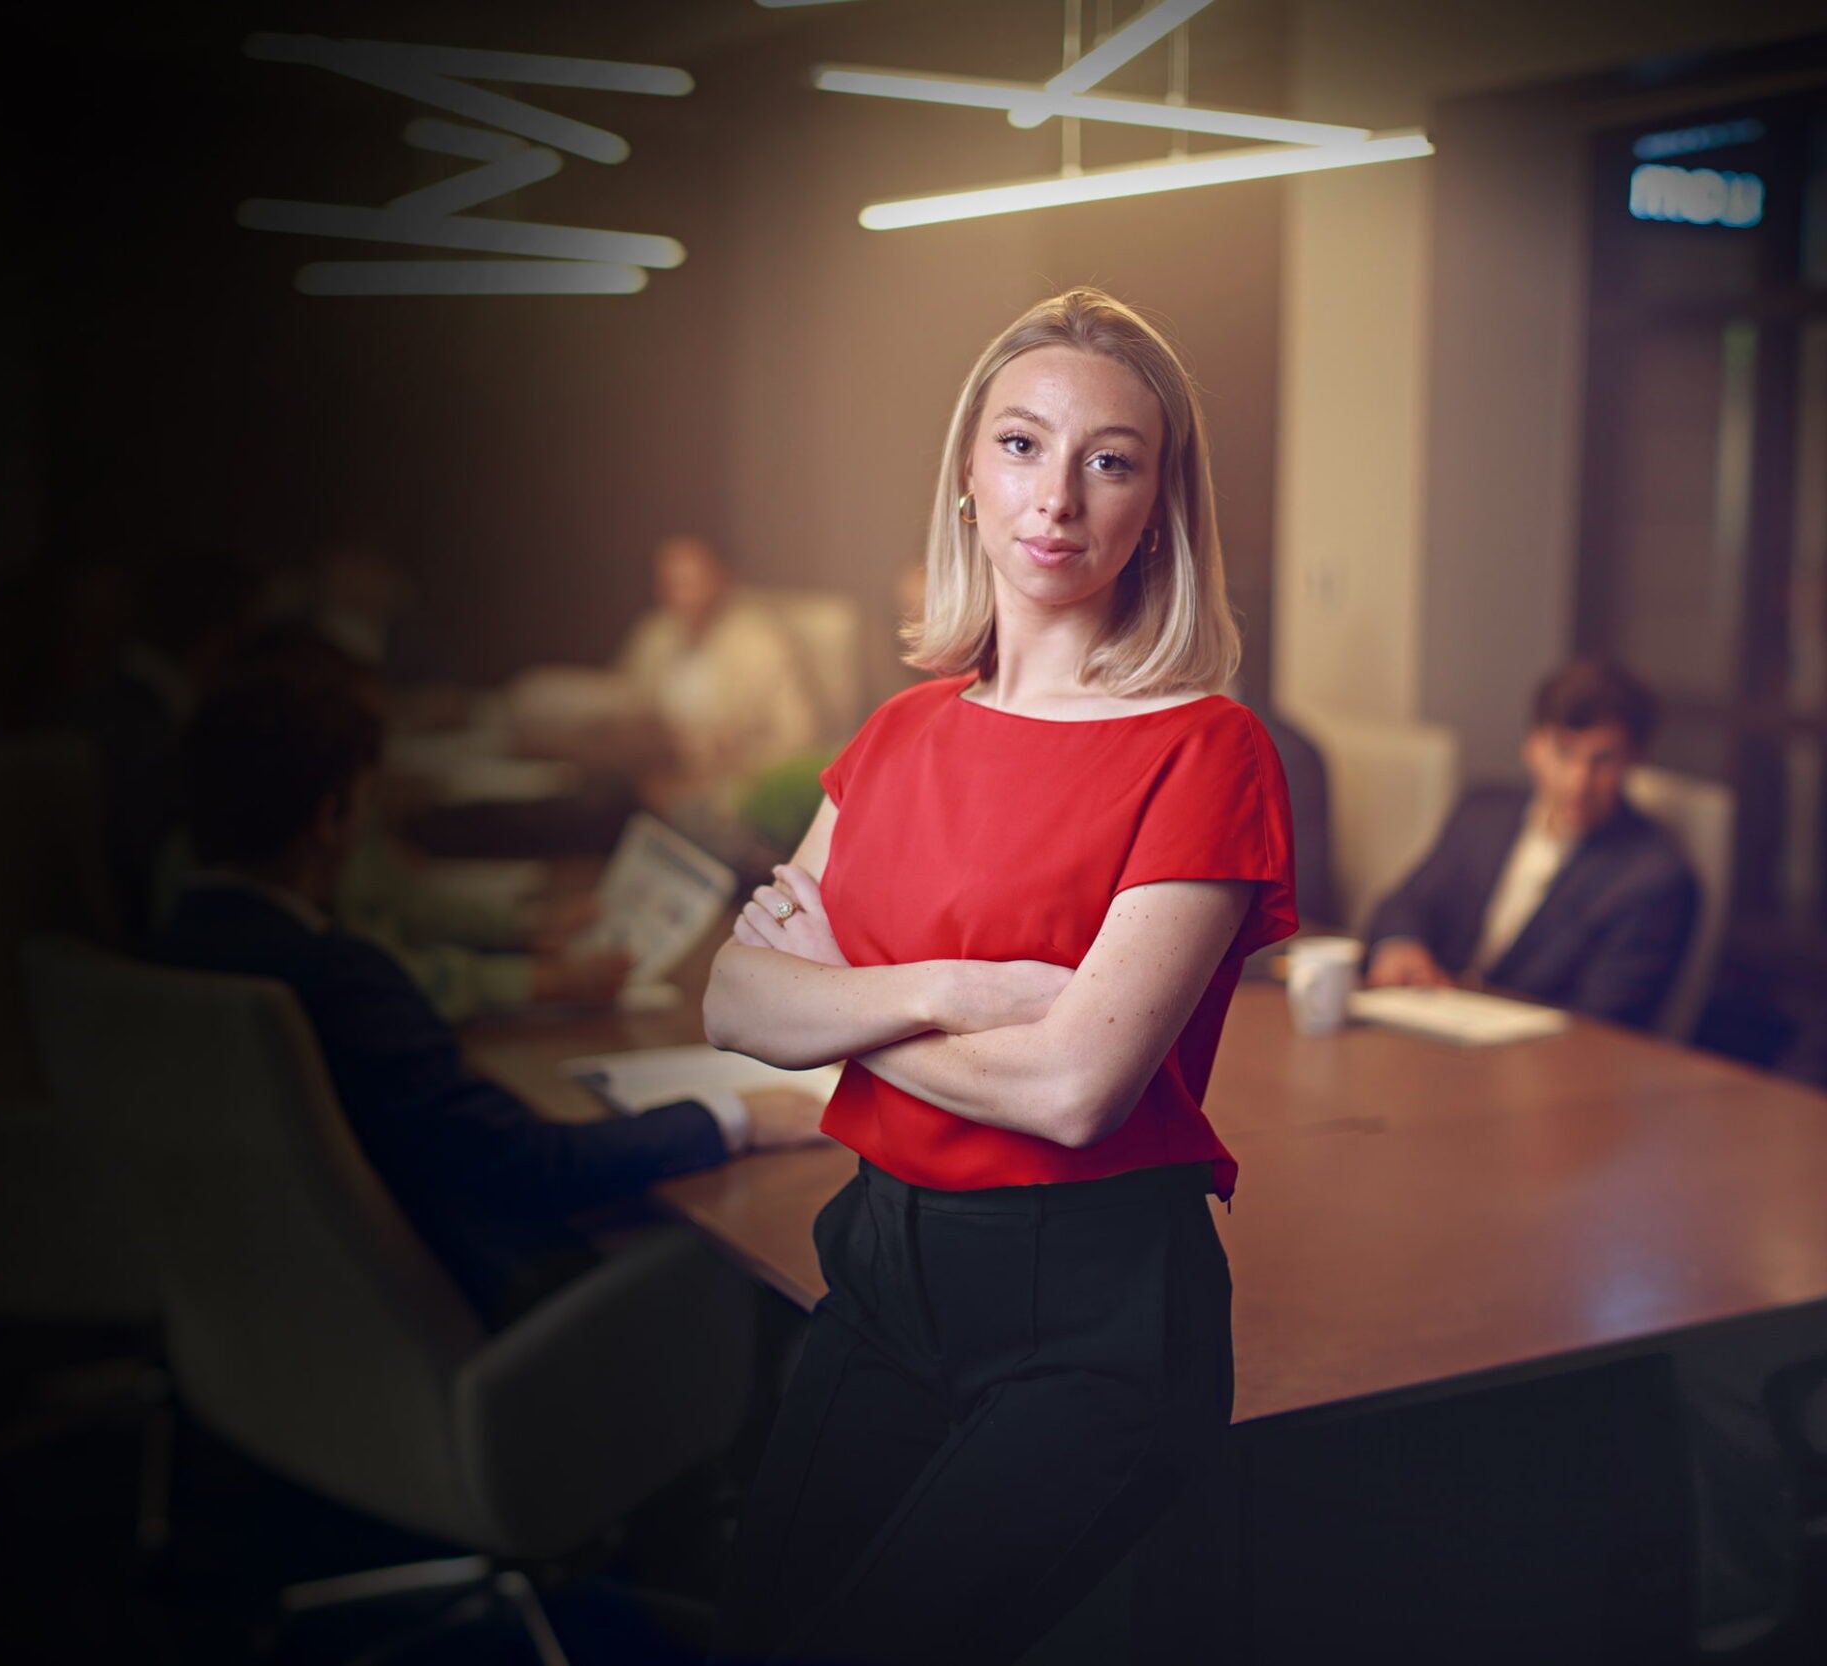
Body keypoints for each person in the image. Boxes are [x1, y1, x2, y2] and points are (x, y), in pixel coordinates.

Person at [701, 288, 1297, 1665]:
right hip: (883, 1270)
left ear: (1160, 504)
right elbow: (734, 1001)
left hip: (1089, 1314)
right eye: (1023, 446)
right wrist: (960, 990)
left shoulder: (1208, 749)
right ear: (967, 478)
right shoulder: (901, 730)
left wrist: (840, 996)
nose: (1061, 498)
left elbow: (1080, 1086)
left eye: (1112, 459)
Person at [145, 668, 827, 1329]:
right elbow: (528, 1167)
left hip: (274, 1323)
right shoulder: (338, 981)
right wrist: (732, 1118)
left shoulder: (174, 945)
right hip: (464, 1319)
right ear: (333, 816)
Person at [1362, 658, 1697, 1030]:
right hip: (1425, 1027)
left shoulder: (1653, 877)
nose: (1579, 781)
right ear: (1534, 747)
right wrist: (1400, 944)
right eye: (1564, 752)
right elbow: (1406, 902)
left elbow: (1605, 1023)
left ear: (1634, 760)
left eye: (1603, 760)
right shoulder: (1483, 812)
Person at [615, 535, 824, 816]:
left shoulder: (761, 644)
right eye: (671, 583)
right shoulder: (654, 636)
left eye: (691, 581)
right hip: (653, 785)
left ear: (720, 578)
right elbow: (627, 710)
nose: (681, 594)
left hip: (731, 790)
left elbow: (799, 738)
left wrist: (732, 768)